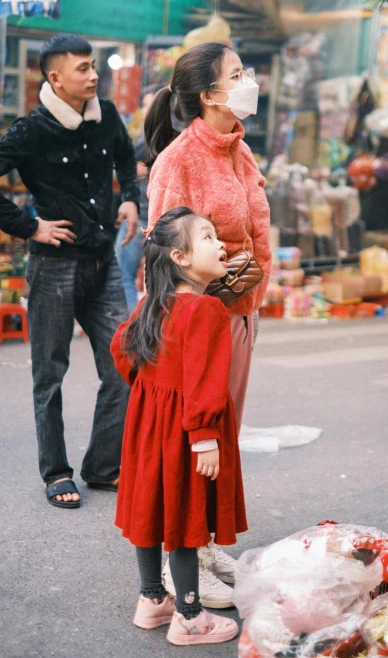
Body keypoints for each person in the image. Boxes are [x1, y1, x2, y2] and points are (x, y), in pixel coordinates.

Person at [145, 42, 271, 603]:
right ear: (209, 95)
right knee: (192, 439)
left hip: (239, 316)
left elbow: (258, 229)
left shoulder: (241, 152)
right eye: (238, 74)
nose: (249, 82)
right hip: (194, 328)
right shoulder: (178, 162)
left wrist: (253, 291)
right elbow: (161, 258)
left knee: (223, 435)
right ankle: (182, 558)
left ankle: (205, 543)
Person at [0, 33, 140, 508]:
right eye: (83, 68)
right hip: (54, 267)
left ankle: (102, 468)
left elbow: (127, 156)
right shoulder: (31, 129)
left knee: (125, 364)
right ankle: (56, 473)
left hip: (102, 264)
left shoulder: (106, 116)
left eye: (94, 66)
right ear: (55, 77)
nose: (94, 75)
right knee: (50, 374)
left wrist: (130, 200)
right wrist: (29, 227)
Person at [110, 206, 246, 646]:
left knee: (150, 511)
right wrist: (205, 436)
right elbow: (205, 378)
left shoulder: (154, 303)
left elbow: (120, 347)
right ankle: (189, 617)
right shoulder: (205, 310)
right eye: (208, 237)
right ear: (181, 257)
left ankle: (152, 600)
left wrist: (150, 387)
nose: (222, 244)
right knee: (185, 519)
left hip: (149, 425)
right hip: (187, 430)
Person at [115, 84, 162, 311]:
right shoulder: (173, 135)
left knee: (122, 274)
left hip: (142, 216)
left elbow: (128, 167)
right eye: (143, 104)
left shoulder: (150, 135)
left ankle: (132, 328)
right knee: (158, 282)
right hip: (159, 217)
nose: (144, 109)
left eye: (148, 104)